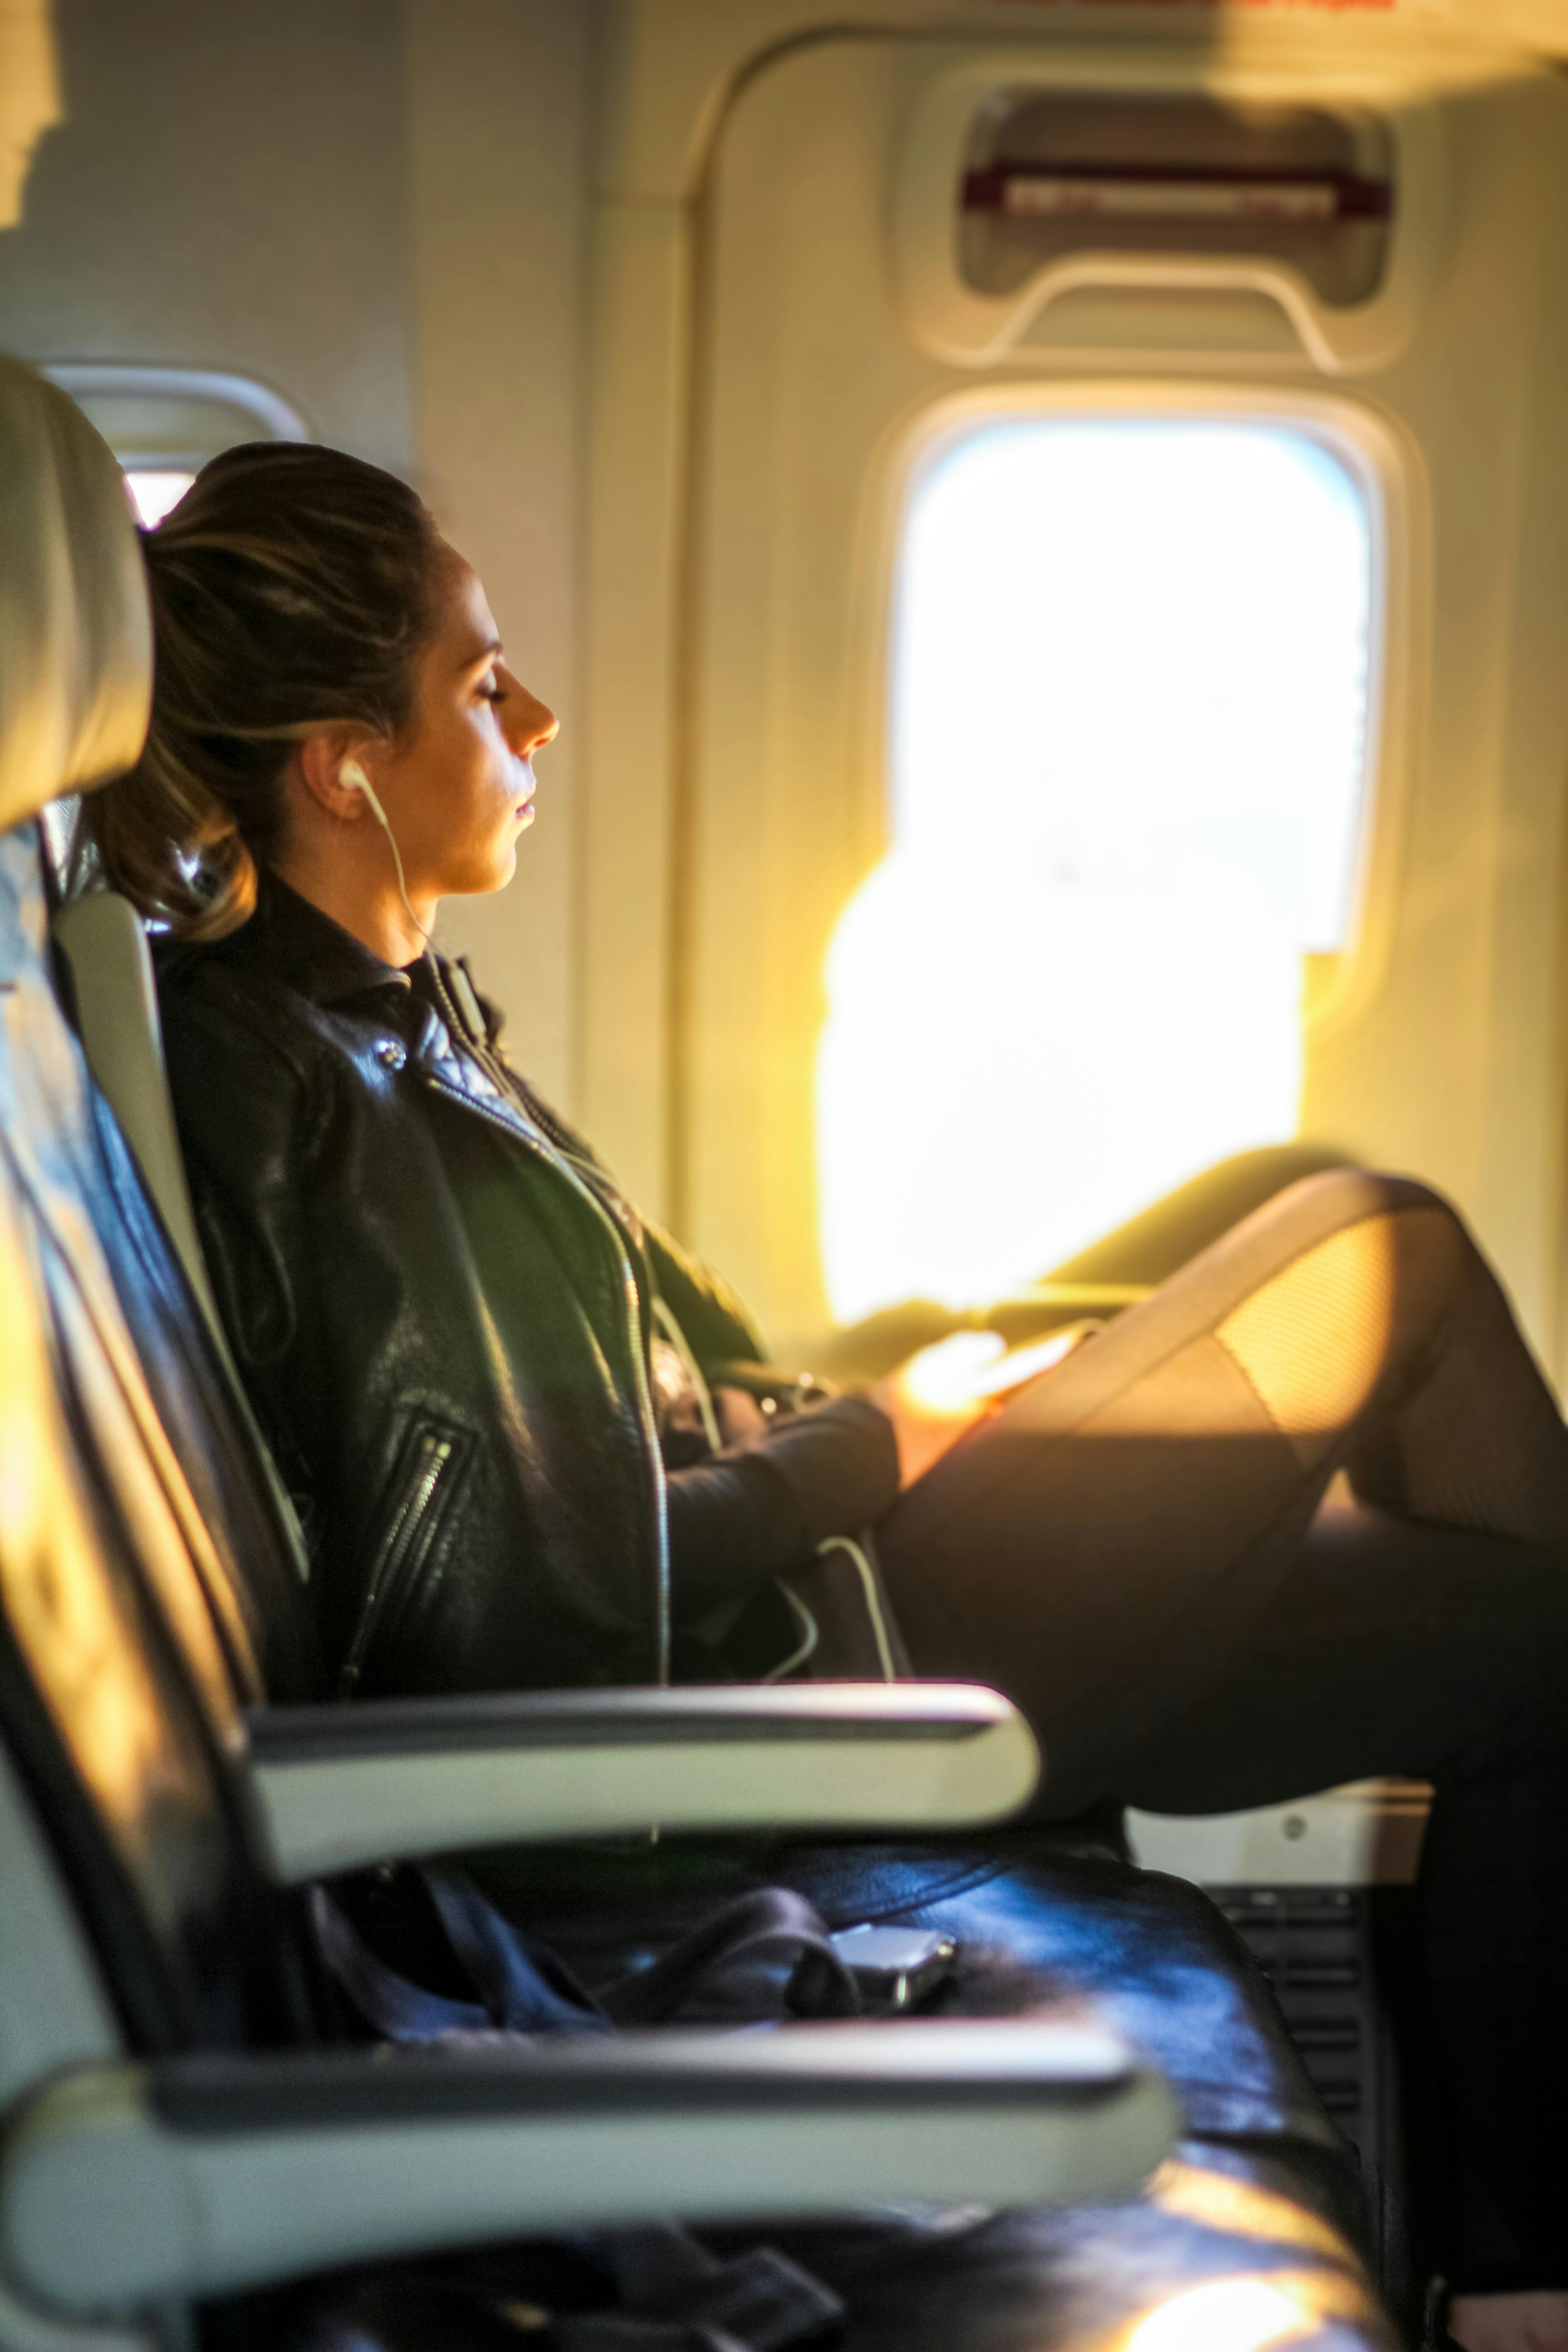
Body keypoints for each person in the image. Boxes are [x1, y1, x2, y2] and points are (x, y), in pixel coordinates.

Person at [84, 440, 1568, 2352]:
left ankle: (1520, 2297)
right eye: (479, 683)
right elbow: (543, 1609)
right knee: (1387, 1247)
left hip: (840, 1577)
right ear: (342, 764)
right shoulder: (336, 1106)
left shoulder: (393, 1022)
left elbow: (642, 1392)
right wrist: (892, 1438)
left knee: (1519, 1621)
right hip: (829, 1663)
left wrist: (878, 1393)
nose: (536, 716)